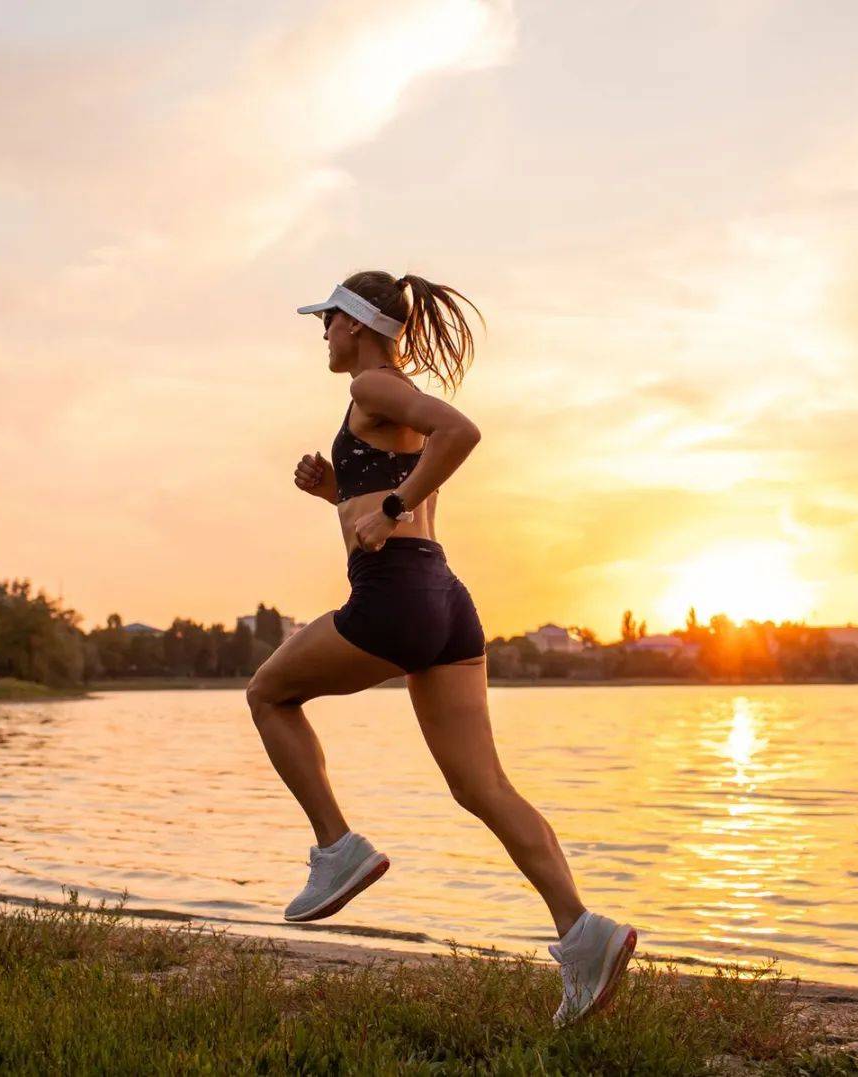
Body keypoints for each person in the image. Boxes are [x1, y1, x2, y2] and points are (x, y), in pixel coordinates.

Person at [245, 270, 636, 1025]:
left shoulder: (375, 388)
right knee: (482, 784)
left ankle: (337, 847)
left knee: (267, 694)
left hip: (396, 594)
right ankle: (584, 934)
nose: (321, 335)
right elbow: (411, 480)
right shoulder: (381, 404)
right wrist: (339, 492)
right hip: (445, 601)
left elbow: (462, 432)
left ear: (355, 325)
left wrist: (384, 508)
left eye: (326, 322)